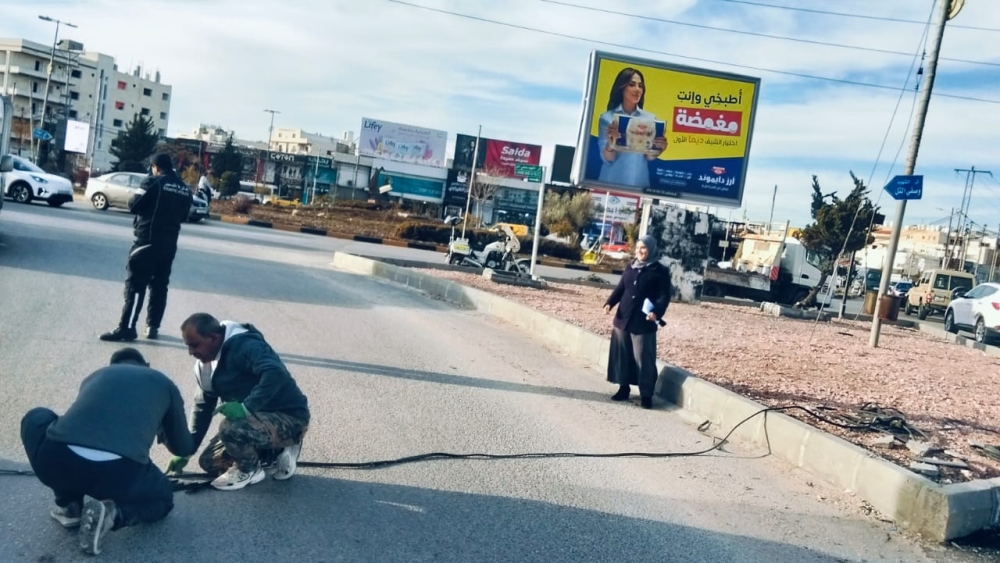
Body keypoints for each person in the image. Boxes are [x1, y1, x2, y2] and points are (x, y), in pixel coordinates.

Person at [20, 348, 194, 556]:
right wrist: (162, 429)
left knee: (37, 416)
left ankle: (70, 506)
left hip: (57, 460)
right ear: (146, 365)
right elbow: (183, 447)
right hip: (120, 475)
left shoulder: (96, 376)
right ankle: (113, 514)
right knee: (163, 499)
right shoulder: (163, 382)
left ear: (112, 366)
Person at [169, 313, 310, 491]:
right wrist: (187, 450)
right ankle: (274, 452)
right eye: (188, 346)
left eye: (194, 345)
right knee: (210, 462)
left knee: (231, 428)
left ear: (213, 338)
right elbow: (202, 408)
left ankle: (250, 470)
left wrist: (246, 407)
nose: (191, 352)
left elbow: (275, 373)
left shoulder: (246, 346)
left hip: (290, 417)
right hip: (256, 422)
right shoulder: (205, 367)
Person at [100, 153, 193, 342]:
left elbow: (133, 205)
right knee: (160, 286)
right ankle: (152, 327)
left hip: (147, 241)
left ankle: (127, 328)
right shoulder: (185, 189)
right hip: (169, 245)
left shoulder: (152, 182)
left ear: (155, 167)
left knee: (135, 285)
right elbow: (184, 215)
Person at [603, 235, 672, 409]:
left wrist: (657, 312)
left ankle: (646, 395)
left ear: (651, 249)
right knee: (622, 355)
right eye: (638, 248)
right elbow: (621, 288)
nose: (640, 251)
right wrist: (609, 303)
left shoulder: (660, 271)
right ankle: (623, 388)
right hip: (623, 318)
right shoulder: (631, 266)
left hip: (644, 321)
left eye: (644, 248)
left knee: (643, 358)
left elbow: (664, 296)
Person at [596, 67, 667, 188]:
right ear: (622, 87)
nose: (637, 89)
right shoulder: (607, 118)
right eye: (632, 85)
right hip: (610, 182)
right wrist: (611, 143)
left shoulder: (651, 119)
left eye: (640, 86)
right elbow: (607, 159)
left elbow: (649, 157)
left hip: (638, 183)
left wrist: (659, 148)